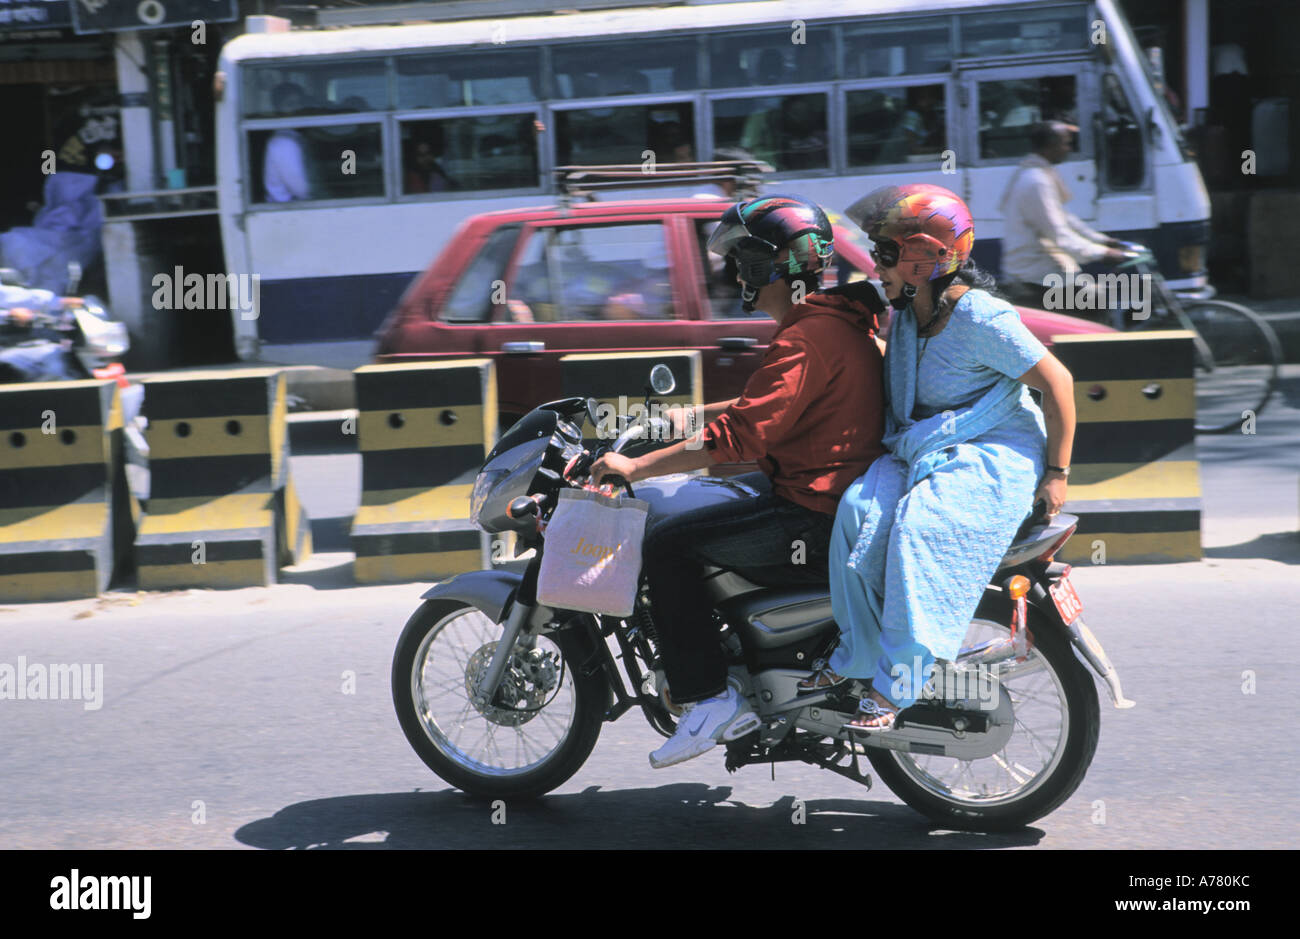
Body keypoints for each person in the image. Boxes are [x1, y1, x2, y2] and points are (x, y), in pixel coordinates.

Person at [589, 194, 886, 768]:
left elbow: (741, 440)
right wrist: (690, 418)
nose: (732, 273)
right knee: (701, 509)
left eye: (739, 261)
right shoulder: (833, 322)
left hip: (810, 512)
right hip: (825, 493)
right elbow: (766, 407)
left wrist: (634, 467)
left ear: (762, 266)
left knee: (668, 543)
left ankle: (708, 697)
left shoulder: (806, 336)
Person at [799, 183, 1076, 730]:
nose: (874, 266)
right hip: (931, 444)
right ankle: (857, 652)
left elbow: (1058, 382)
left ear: (924, 258)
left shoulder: (980, 319)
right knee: (855, 511)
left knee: (919, 529)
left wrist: (1057, 473)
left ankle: (900, 681)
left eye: (884, 254)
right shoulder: (909, 315)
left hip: (994, 447)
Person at [999, 121, 1127, 311]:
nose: (1069, 148)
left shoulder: (1037, 174)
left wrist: (1103, 240)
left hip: (1040, 270)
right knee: (1095, 299)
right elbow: (1059, 234)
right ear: (1050, 146)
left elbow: (1065, 218)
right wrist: (1101, 253)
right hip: (1034, 275)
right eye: (1065, 143)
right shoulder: (1036, 181)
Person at [263, 83, 311, 203]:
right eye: (290, 104)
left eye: (299, 103)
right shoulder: (283, 143)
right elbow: (301, 188)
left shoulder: (293, 136)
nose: (297, 109)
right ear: (278, 108)